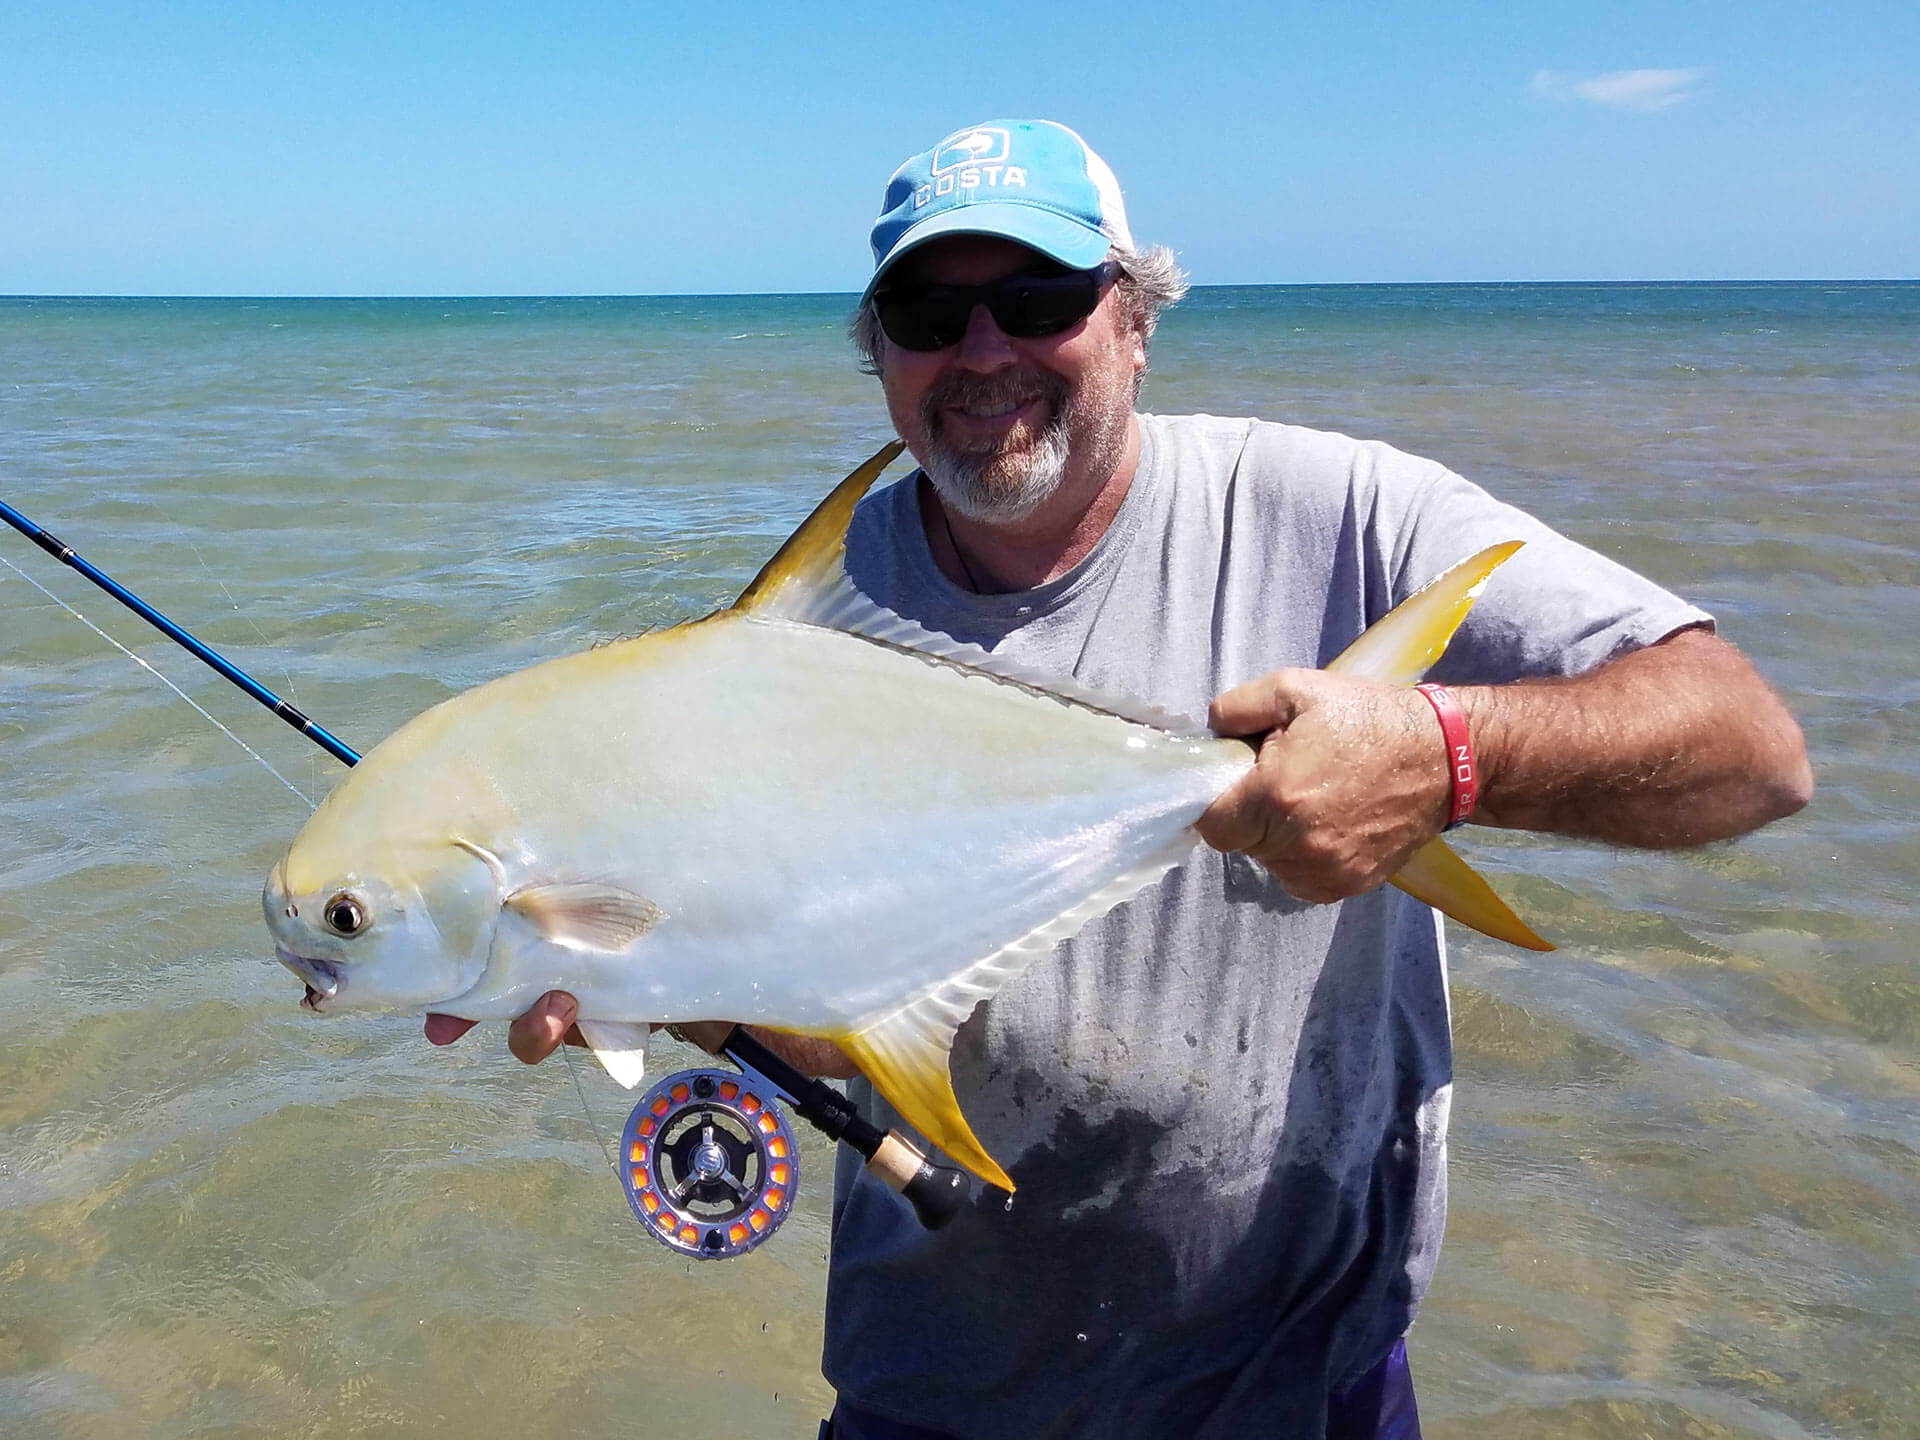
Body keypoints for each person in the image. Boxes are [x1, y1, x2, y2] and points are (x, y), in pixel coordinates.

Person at [427, 120, 1811, 1438]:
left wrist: (1451, 758)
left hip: (1300, 1379)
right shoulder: (796, 620)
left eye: (1039, 296)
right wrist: (687, 973)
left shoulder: (1347, 516)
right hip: (936, 1385)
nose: (983, 350)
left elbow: (1752, 752)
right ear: (881, 357)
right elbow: (827, 985)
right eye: (927, 315)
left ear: (1137, 321)